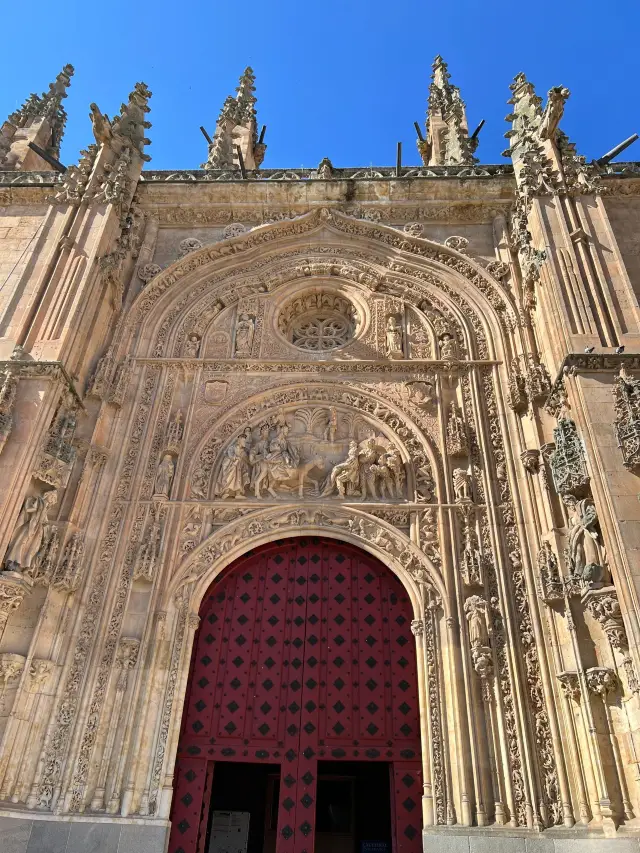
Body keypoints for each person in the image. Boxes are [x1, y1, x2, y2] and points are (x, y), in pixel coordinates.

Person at [4, 491, 57, 572]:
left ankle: (24, 565)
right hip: (30, 526)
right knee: (21, 542)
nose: (52, 499)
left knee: (32, 548)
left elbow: (45, 521)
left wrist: (47, 530)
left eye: (54, 498)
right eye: (52, 496)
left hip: (38, 530)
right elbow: (29, 509)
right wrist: (29, 504)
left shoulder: (46, 508)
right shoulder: (39, 501)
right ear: (47, 495)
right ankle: (13, 561)